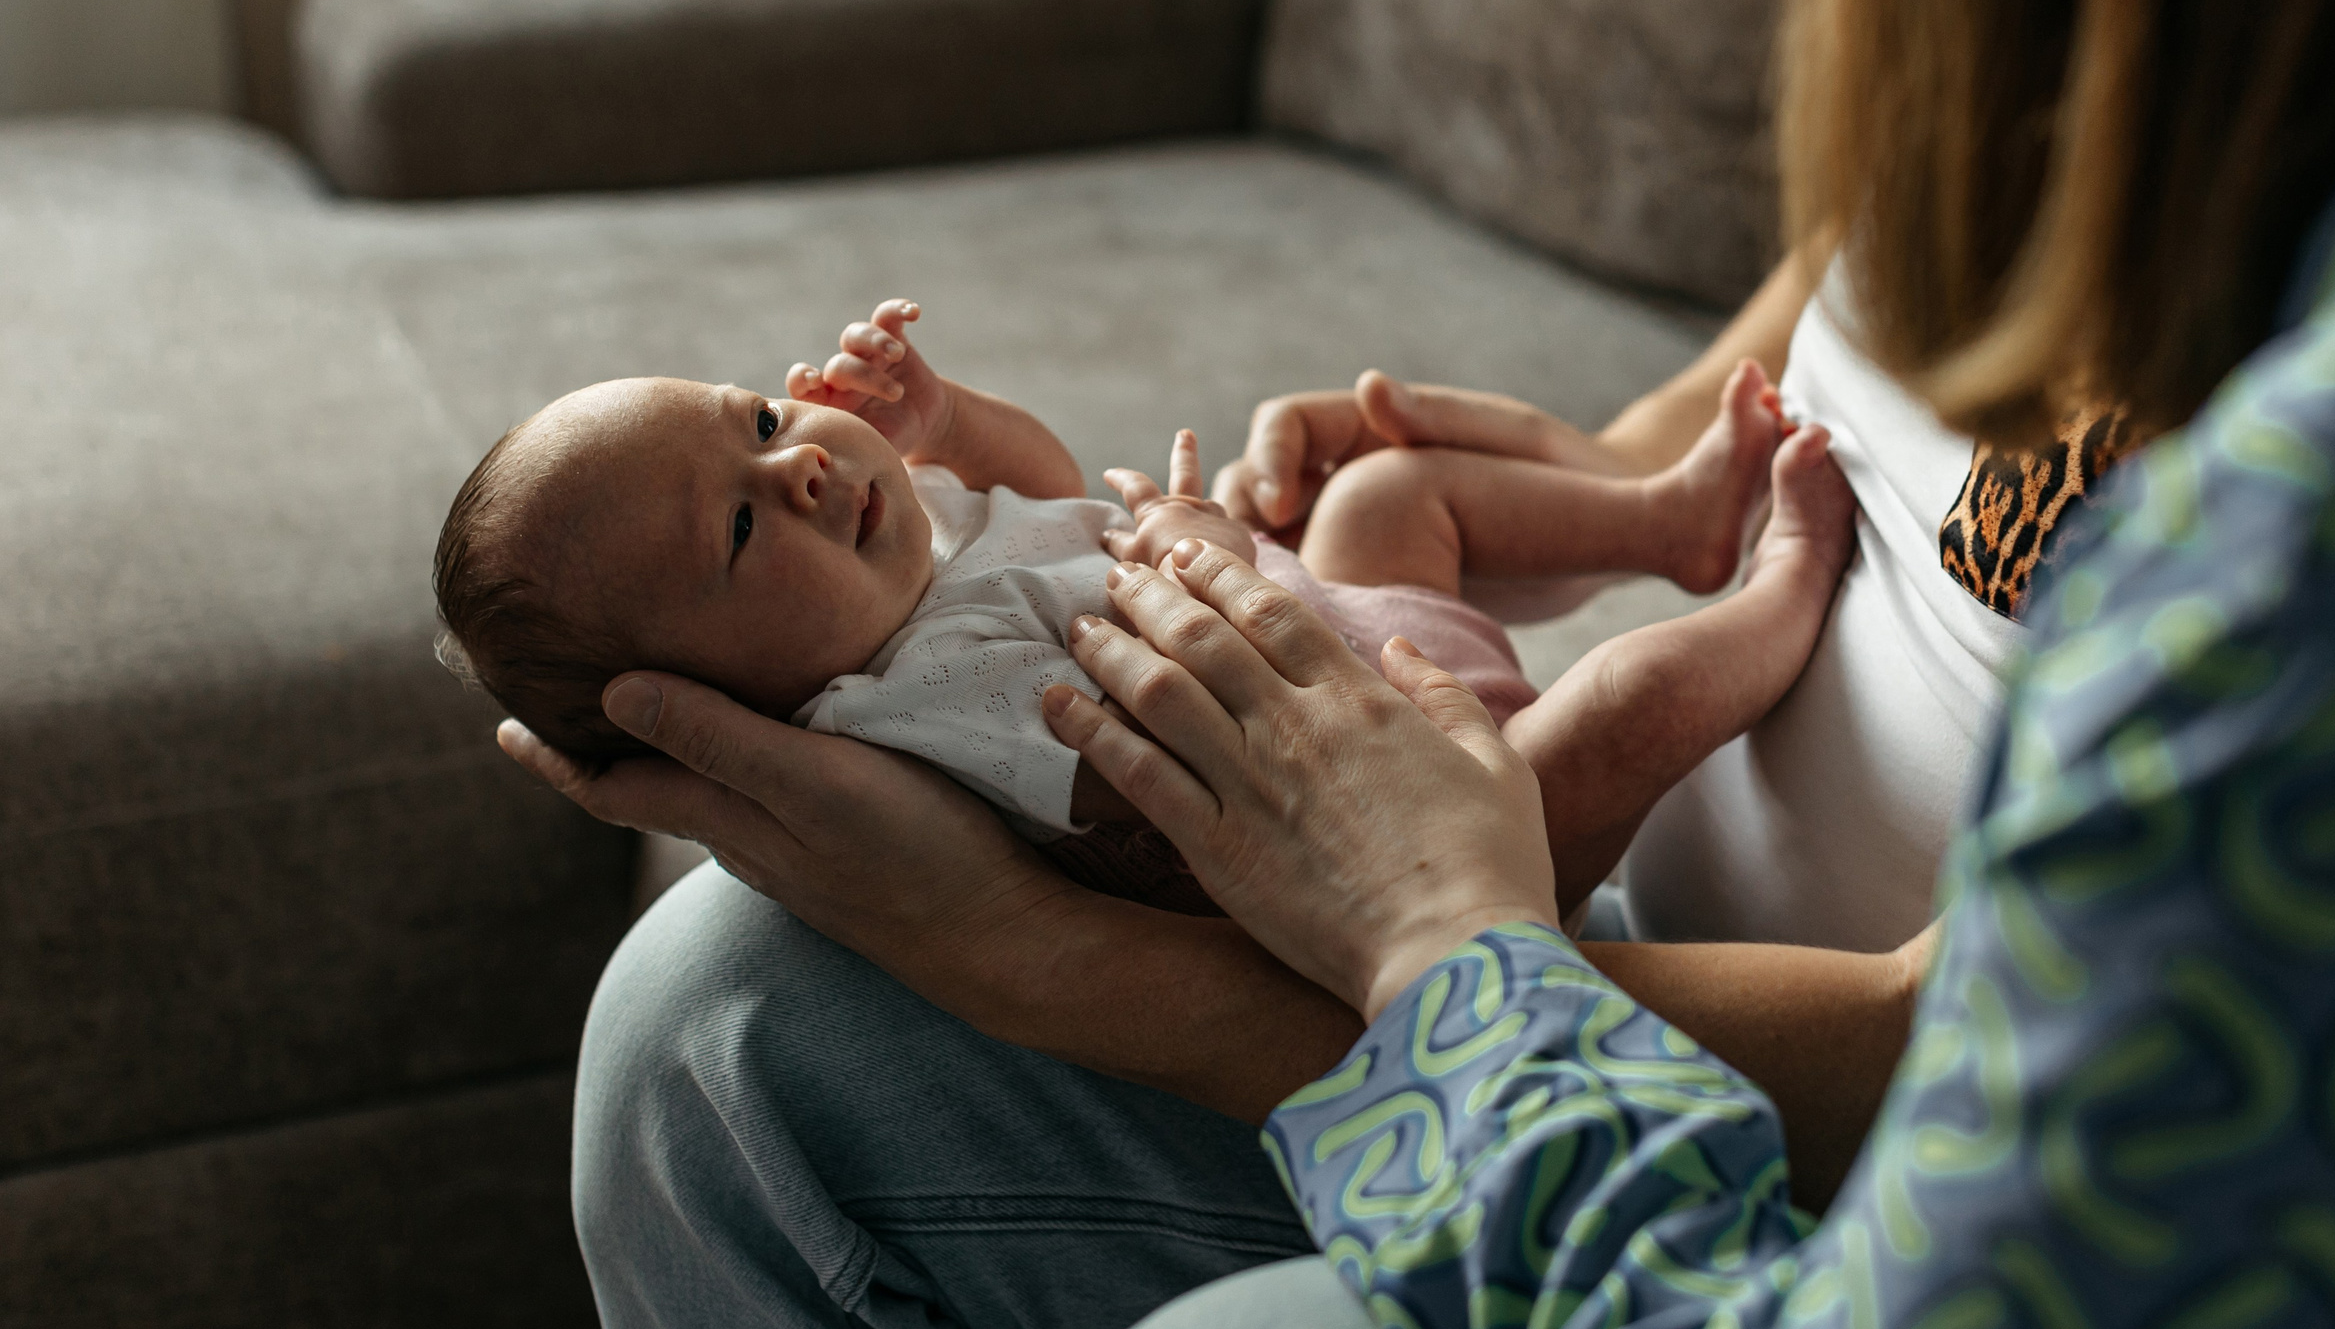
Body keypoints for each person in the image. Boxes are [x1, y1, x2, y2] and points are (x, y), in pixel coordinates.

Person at [1022, 0, 2335, 1329]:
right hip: (1578, 958)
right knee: (730, 1018)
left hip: (1815, 1142)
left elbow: (1906, 1195)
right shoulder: (2098, 41)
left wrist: (1372, 947)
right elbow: (1791, 373)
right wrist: (1605, 476)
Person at [437, 295, 1851, 912]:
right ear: (718, 706)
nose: (802, 466)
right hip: (1447, 821)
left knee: (1379, 500)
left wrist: (949, 416)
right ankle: (1790, 593)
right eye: (741, 525)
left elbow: (1059, 492)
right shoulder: (913, 712)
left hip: (1375, 655)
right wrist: (1201, 557)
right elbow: (1173, 762)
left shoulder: (921, 562)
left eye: (755, 417)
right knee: (1628, 699)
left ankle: (1672, 517)